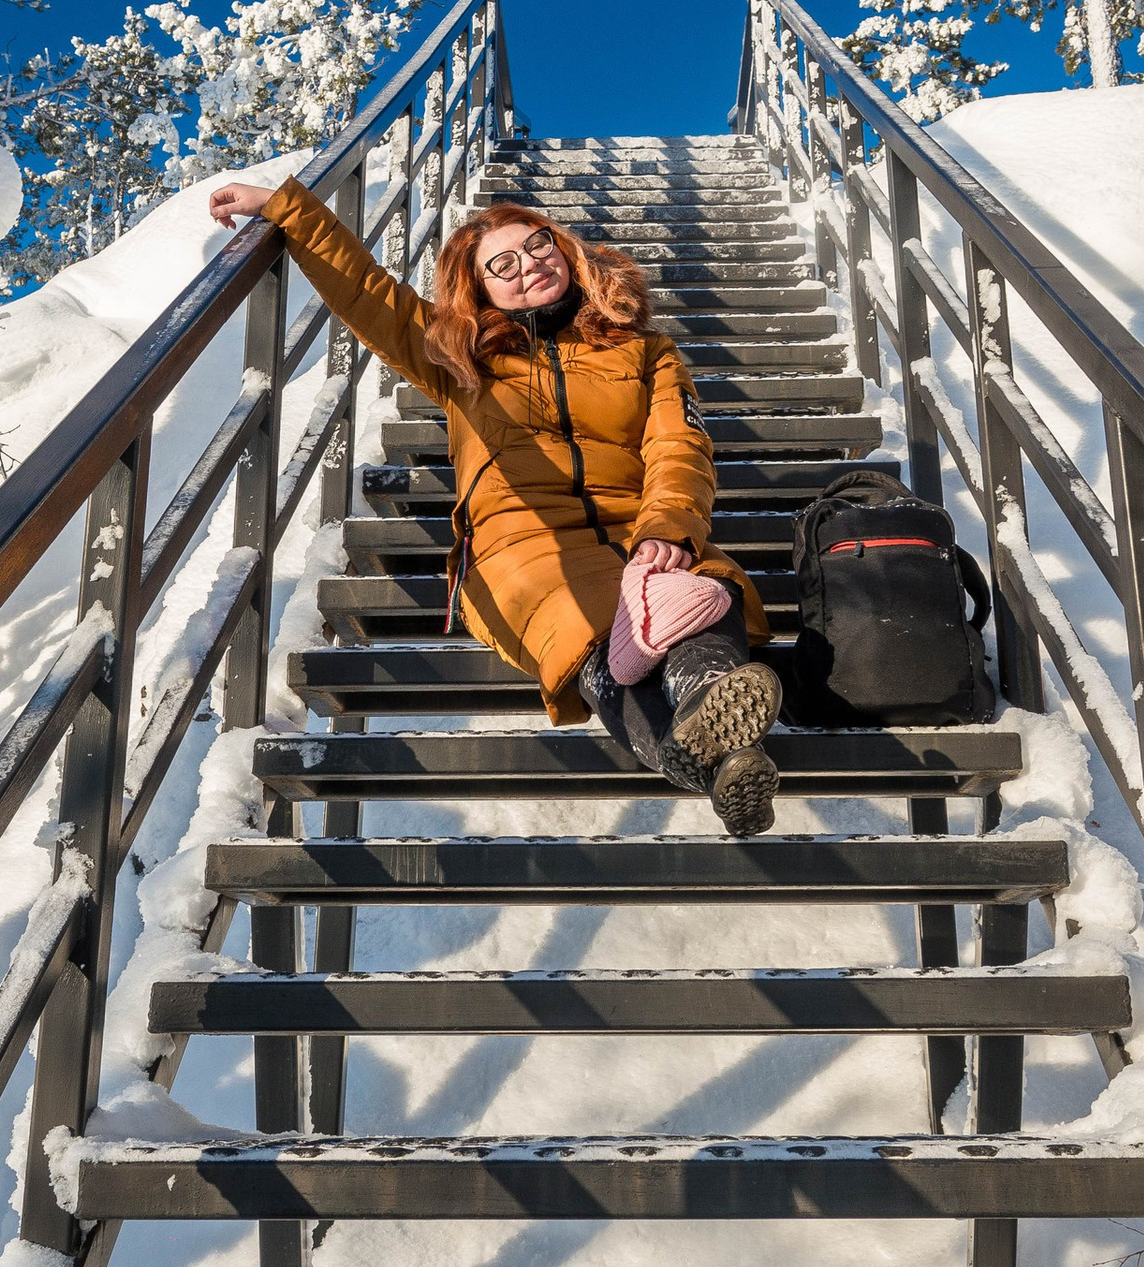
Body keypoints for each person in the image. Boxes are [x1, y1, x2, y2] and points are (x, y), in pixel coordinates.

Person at [206, 173, 785, 836]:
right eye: (502, 265)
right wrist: (287, 208)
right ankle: (717, 747)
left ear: (565, 251)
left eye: (538, 246)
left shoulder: (646, 351)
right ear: (480, 290)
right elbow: (366, 290)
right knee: (574, 608)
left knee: (703, 586)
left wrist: (669, 528)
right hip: (521, 544)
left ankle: (713, 726)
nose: (528, 265)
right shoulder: (461, 358)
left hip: (636, 524)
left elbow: (679, 448)